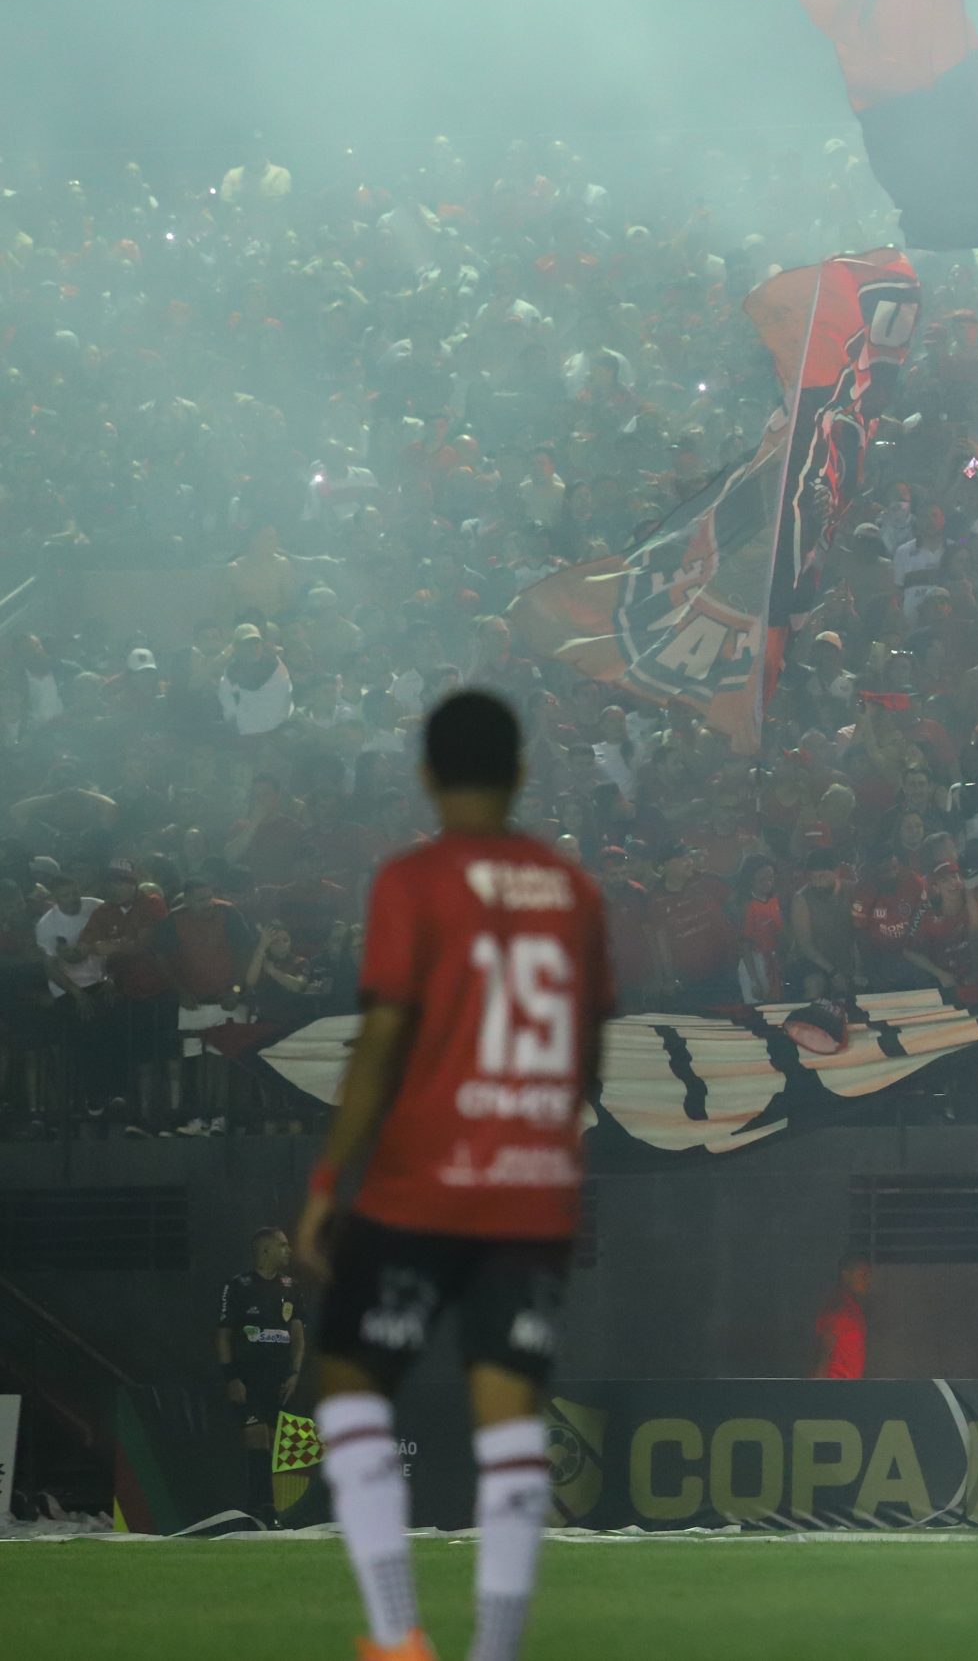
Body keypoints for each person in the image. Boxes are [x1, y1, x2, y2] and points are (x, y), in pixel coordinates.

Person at [294, 691, 612, 1661]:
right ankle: (496, 1651)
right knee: (509, 1411)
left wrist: (324, 1182)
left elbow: (384, 1033)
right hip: (530, 1188)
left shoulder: (414, 881)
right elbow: (590, 1052)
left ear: (427, 776)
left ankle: (397, 1635)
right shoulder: (574, 890)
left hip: (421, 1183)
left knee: (349, 1383)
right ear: (519, 773)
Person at [216, 1225, 304, 1525]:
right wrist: (231, 1377)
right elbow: (224, 1336)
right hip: (248, 1377)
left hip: (278, 1379)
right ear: (265, 1251)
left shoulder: (290, 1286)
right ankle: (262, 1510)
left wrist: (294, 1372)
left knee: (268, 1439)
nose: (288, 1250)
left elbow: (298, 1334)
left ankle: (261, 1509)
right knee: (256, 1438)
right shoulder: (238, 1286)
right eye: (283, 1245)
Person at [813, 1257, 872, 1380]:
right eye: (862, 1275)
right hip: (835, 1387)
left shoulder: (853, 1307)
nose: (867, 1280)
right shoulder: (838, 1306)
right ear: (845, 1275)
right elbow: (824, 1351)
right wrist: (816, 1390)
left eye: (868, 1275)